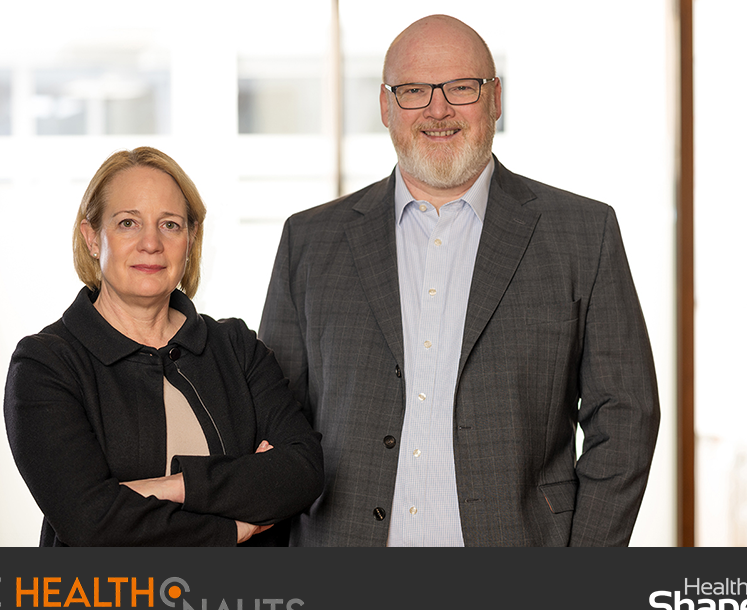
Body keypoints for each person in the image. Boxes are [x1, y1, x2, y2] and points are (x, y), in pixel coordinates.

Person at [259, 15, 660, 546]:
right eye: (413, 90)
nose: (438, 109)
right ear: (385, 106)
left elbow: (626, 417)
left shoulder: (583, 233)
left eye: (462, 88)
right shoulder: (309, 241)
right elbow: (274, 424)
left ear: (496, 99)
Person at [5, 147, 323, 546]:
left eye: (170, 225)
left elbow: (302, 471)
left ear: (191, 239)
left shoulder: (237, 348)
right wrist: (230, 528)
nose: (151, 243)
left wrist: (174, 486)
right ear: (92, 238)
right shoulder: (46, 364)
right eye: (128, 223)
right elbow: (91, 523)